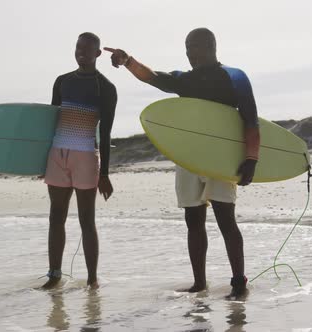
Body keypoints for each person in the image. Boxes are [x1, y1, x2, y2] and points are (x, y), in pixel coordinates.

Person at [104, 28, 260, 297]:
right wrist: (128, 61)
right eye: (187, 47)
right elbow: (152, 77)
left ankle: (238, 282)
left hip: (220, 159)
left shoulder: (234, 77)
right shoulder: (185, 80)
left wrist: (251, 159)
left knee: (226, 220)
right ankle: (199, 283)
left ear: (210, 45)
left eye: (195, 46)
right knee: (193, 220)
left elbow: (251, 120)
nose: (189, 53)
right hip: (188, 157)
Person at [41, 32, 117, 289]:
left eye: (87, 49)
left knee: (87, 220)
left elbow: (105, 133)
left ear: (97, 54)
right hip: (57, 154)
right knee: (56, 217)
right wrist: (41, 161)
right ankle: (54, 275)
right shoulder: (62, 82)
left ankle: (92, 279)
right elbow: (50, 122)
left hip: (85, 156)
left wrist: (105, 174)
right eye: (78, 47)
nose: (81, 52)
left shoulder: (105, 87)